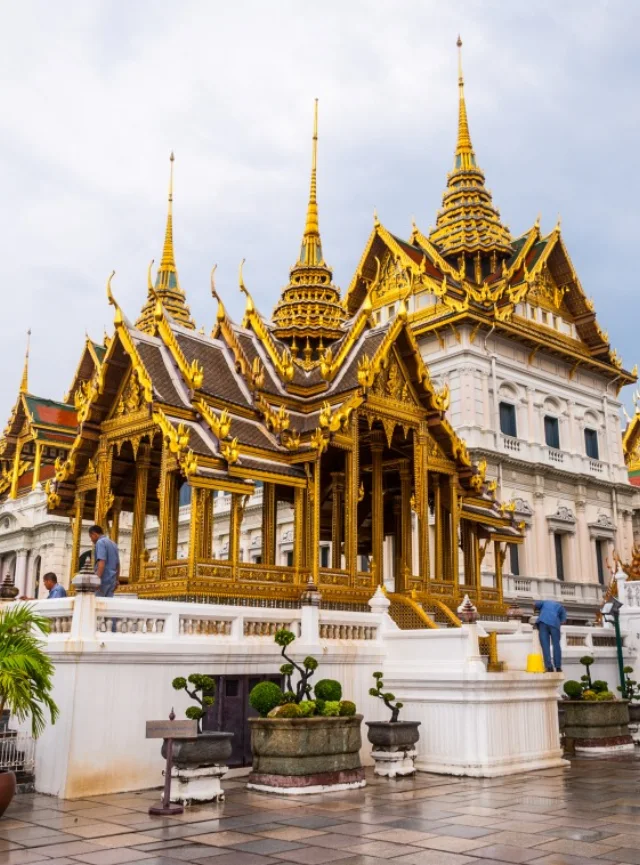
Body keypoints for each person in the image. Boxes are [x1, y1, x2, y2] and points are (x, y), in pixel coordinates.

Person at [534, 599, 567, 672]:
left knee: (545, 646)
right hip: (554, 624)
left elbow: (535, 604)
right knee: (556, 645)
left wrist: (536, 610)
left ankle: (549, 667)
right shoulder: (561, 607)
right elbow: (563, 621)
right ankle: (558, 667)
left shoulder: (544, 602)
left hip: (543, 622)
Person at [89, 525, 120, 597]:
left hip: (103, 580)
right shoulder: (113, 544)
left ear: (94, 534)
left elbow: (101, 562)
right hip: (112, 580)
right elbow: (118, 564)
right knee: (107, 602)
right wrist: (116, 580)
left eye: (91, 536)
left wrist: (97, 579)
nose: (91, 540)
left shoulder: (100, 542)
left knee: (97, 602)